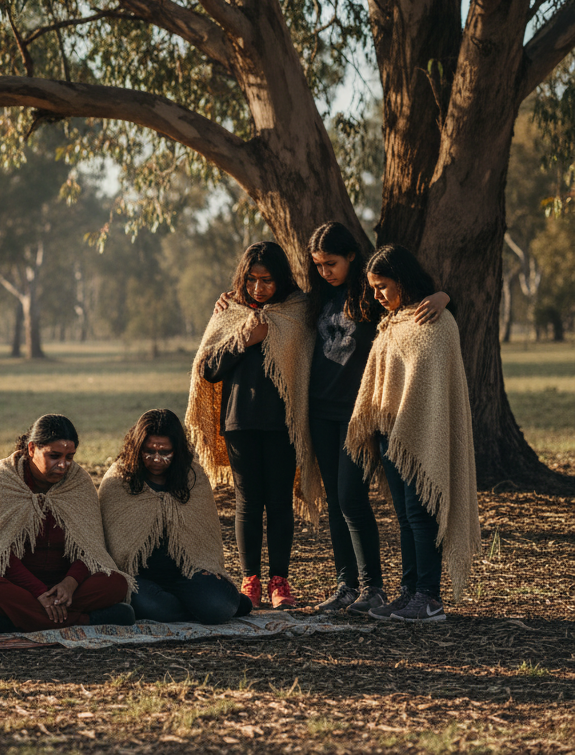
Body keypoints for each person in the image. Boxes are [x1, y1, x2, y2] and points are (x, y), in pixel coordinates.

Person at [307, 223, 449, 614]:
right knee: (338, 500)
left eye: (331, 263)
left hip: (362, 416)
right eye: (317, 265)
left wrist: (444, 294)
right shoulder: (317, 295)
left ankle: (376, 588)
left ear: (352, 256)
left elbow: (419, 308)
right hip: (320, 410)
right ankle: (347, 586)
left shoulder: (374, 297)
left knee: (355, 497)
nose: (325, 271)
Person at [346, 245, 480, 623]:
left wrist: (445, 296)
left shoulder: (436, 320)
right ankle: (408, 592)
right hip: (392, 433)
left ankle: (429, 598)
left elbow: (434, 387)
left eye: (383, 286)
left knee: (422, 517)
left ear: (403, 280)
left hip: (425, 433)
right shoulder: (392, 323)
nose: (377, 295)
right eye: (372, 288)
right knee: (405, 516)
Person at [186, 241, 322, 611]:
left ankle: (280, 581)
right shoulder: (230, 310)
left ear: (281, 279)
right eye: (251, 280)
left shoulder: (299, 310)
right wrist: (244, 339)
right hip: (239, 422)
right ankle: (251, 582)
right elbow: (207, 369)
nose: (259, 288)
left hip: (284, 424)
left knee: (279, 502)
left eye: (267, 280)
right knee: (248, 503)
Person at [0, 414, 135, 633]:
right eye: (54, 456)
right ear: (32, 448)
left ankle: (9, 622)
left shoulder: (78, 482)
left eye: (69, 457)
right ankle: (87, 620)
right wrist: (38, 591)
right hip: (17, 585)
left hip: (66, 587)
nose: (63, 465)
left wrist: (70, 583)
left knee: (115, 582)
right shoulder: (3, 478)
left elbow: (90, 549)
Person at [99, 409, 252, 623]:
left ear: (177, 450)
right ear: (137, 448)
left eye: (165, 452)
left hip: (186, 573)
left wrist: (207, 568)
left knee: (218, 605)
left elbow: (206, 537)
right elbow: (110, 542)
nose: (156, 459)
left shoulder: (193, 477)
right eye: (149, 451)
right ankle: (206, 608)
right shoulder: (118, 480)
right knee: (152, 607)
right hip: (139, 578)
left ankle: (215, 605)